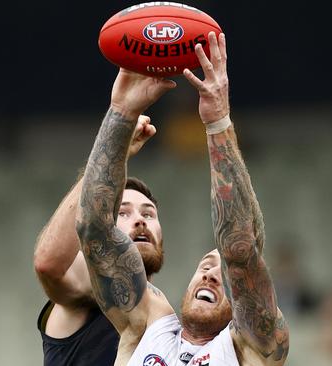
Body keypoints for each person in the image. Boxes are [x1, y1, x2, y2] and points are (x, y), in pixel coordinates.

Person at [76, 31, 289, 365]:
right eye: (205, 265)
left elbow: (240, 250)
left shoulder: (252, 347)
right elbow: (93, 230)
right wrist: (121, 112)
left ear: (242, 299)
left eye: (222, 275)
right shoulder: (147, 326)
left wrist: (218, 122)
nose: (210, 275)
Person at [33, 114, 168, 365]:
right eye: (123, 213)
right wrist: (113, 156)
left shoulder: (164, 316)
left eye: (148, 213)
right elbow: (49, 264)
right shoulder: (93, 284)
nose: (140, 220)